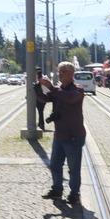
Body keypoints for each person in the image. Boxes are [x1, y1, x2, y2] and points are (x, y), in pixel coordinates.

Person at [37, 61, 86, 205]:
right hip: (59, 135)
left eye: (63, 71)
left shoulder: (78, 90)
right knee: (55, 164)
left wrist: (51, 87)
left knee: (73, 168)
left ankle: (74, 193)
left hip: (73, 136)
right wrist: (39, 87)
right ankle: (57, 189)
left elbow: (69, 98)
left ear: (71, 74)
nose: (60, 73)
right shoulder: (57, 90)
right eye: (59, 71)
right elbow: (44, 98)